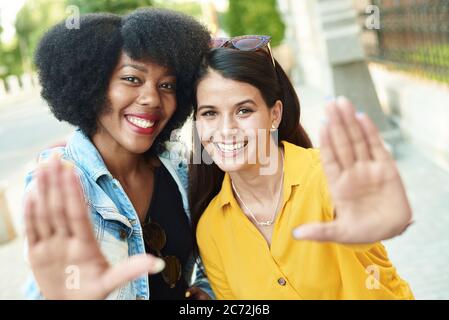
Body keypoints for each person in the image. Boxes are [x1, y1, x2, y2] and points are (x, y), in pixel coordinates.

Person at [190, 35, 414, 299]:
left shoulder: (326, 176)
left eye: (244, 111)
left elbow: (366, 217)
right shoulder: (211, 229)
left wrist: (380, 220)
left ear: (274, 114)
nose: (226, 130)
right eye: (209, 113)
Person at [23, 8, 213, 300]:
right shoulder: (61, 183)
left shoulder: (179, 166)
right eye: (132, 79)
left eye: (167, 85)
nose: (151, 98)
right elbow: (48, 284)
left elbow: (207, 261)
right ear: (94, 85)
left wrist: (203, 291)